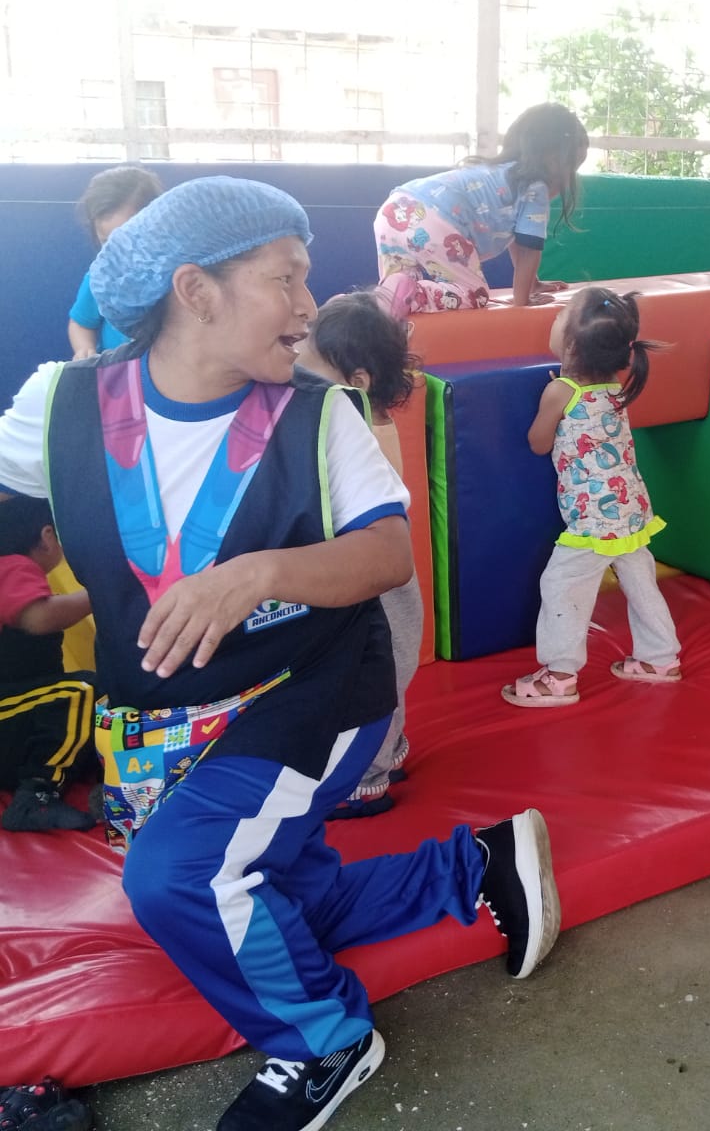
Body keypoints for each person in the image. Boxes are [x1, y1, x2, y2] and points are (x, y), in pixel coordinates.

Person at [0, 176, 560, 1131]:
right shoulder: (59, 403)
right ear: (196, 290)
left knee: (179, 877)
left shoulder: (321, 412)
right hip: (161, 710)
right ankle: (472, 868)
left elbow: (386, 556)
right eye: (285, 278)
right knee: (270, 889)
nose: (310, 305)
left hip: (313, 692)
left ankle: (324, 1039)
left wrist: (257, 574)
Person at [503, 285, 681, 706]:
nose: (554, 319)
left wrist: (551, 401)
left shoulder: (560, 392)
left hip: (594, 520)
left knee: (562, 584)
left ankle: (560, 675)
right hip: (632, 509)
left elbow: (538, 443)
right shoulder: (615, 386)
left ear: (572, 345)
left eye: (561, 316)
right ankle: (660, 658)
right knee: (641, 584)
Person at [293, 289, 424, 819]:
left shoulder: (357, 429)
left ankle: (365, 778)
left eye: (309, 366)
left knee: (376, 678)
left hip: (378, 583)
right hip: (376, 575)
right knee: (385, 673)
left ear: (357, 381)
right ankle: (387, 752)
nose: (297, 374)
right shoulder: (371, 419)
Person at [375, 102, 588, 314]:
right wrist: (522, 303)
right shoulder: (534, 188)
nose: (570, 179)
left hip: (395, 209)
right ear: (553, 160)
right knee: (474, 293)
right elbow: (528, 251)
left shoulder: (497, 172)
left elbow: (518, 240)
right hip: (433, 217)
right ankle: (414, 294)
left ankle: (379, 301)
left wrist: (532, 284)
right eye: (572, 168)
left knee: (396, 295)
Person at [0, 495, 96, 833]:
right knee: (83, 689)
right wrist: (101, 592)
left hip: (15, 724)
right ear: (47, 535)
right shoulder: (10, 566)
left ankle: (99, 777)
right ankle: (35, 796)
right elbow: (40, 618)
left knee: (95, 707)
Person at [66, 165, 164, 358]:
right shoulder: (100, 279)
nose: (117, 253)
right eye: (106, 242)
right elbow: (81, 324)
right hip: (116, 371)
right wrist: (84, 349)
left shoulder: (173, 276)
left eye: (128, 240)